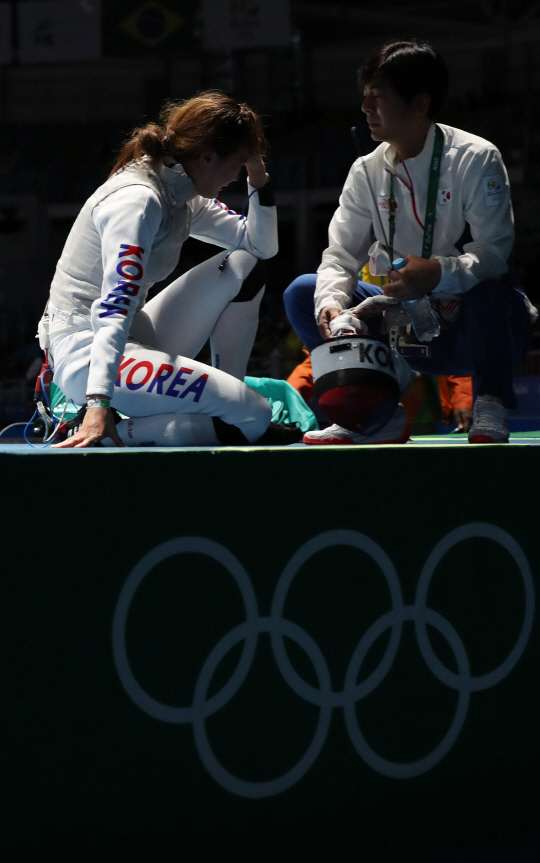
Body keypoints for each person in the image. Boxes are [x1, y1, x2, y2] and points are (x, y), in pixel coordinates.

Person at [284, 39, 535, 445]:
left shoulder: (476, 157)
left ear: (419, 103)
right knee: (303, 293)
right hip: (401, 327)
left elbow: (493, 252)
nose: (365, 108)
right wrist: (332, 304)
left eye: (378, 97)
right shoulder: (365, 171)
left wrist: (437, 273)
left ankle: (491, 401)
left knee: (495, 287)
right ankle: (372, 412)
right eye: (364, 97)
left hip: (469, 331)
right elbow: (340, 255)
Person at [47, 91, 302, 449]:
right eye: (239, 163)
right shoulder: (139, 201)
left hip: (136, 334)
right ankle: (104, 428)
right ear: (209, 157)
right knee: (255, 416)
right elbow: (113, 308)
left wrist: (259, 180)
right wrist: (98, 402)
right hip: (88, 353)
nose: (237, 173)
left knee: (244, 265)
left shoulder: (182, 194)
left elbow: (260, 246)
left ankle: (224, 414)